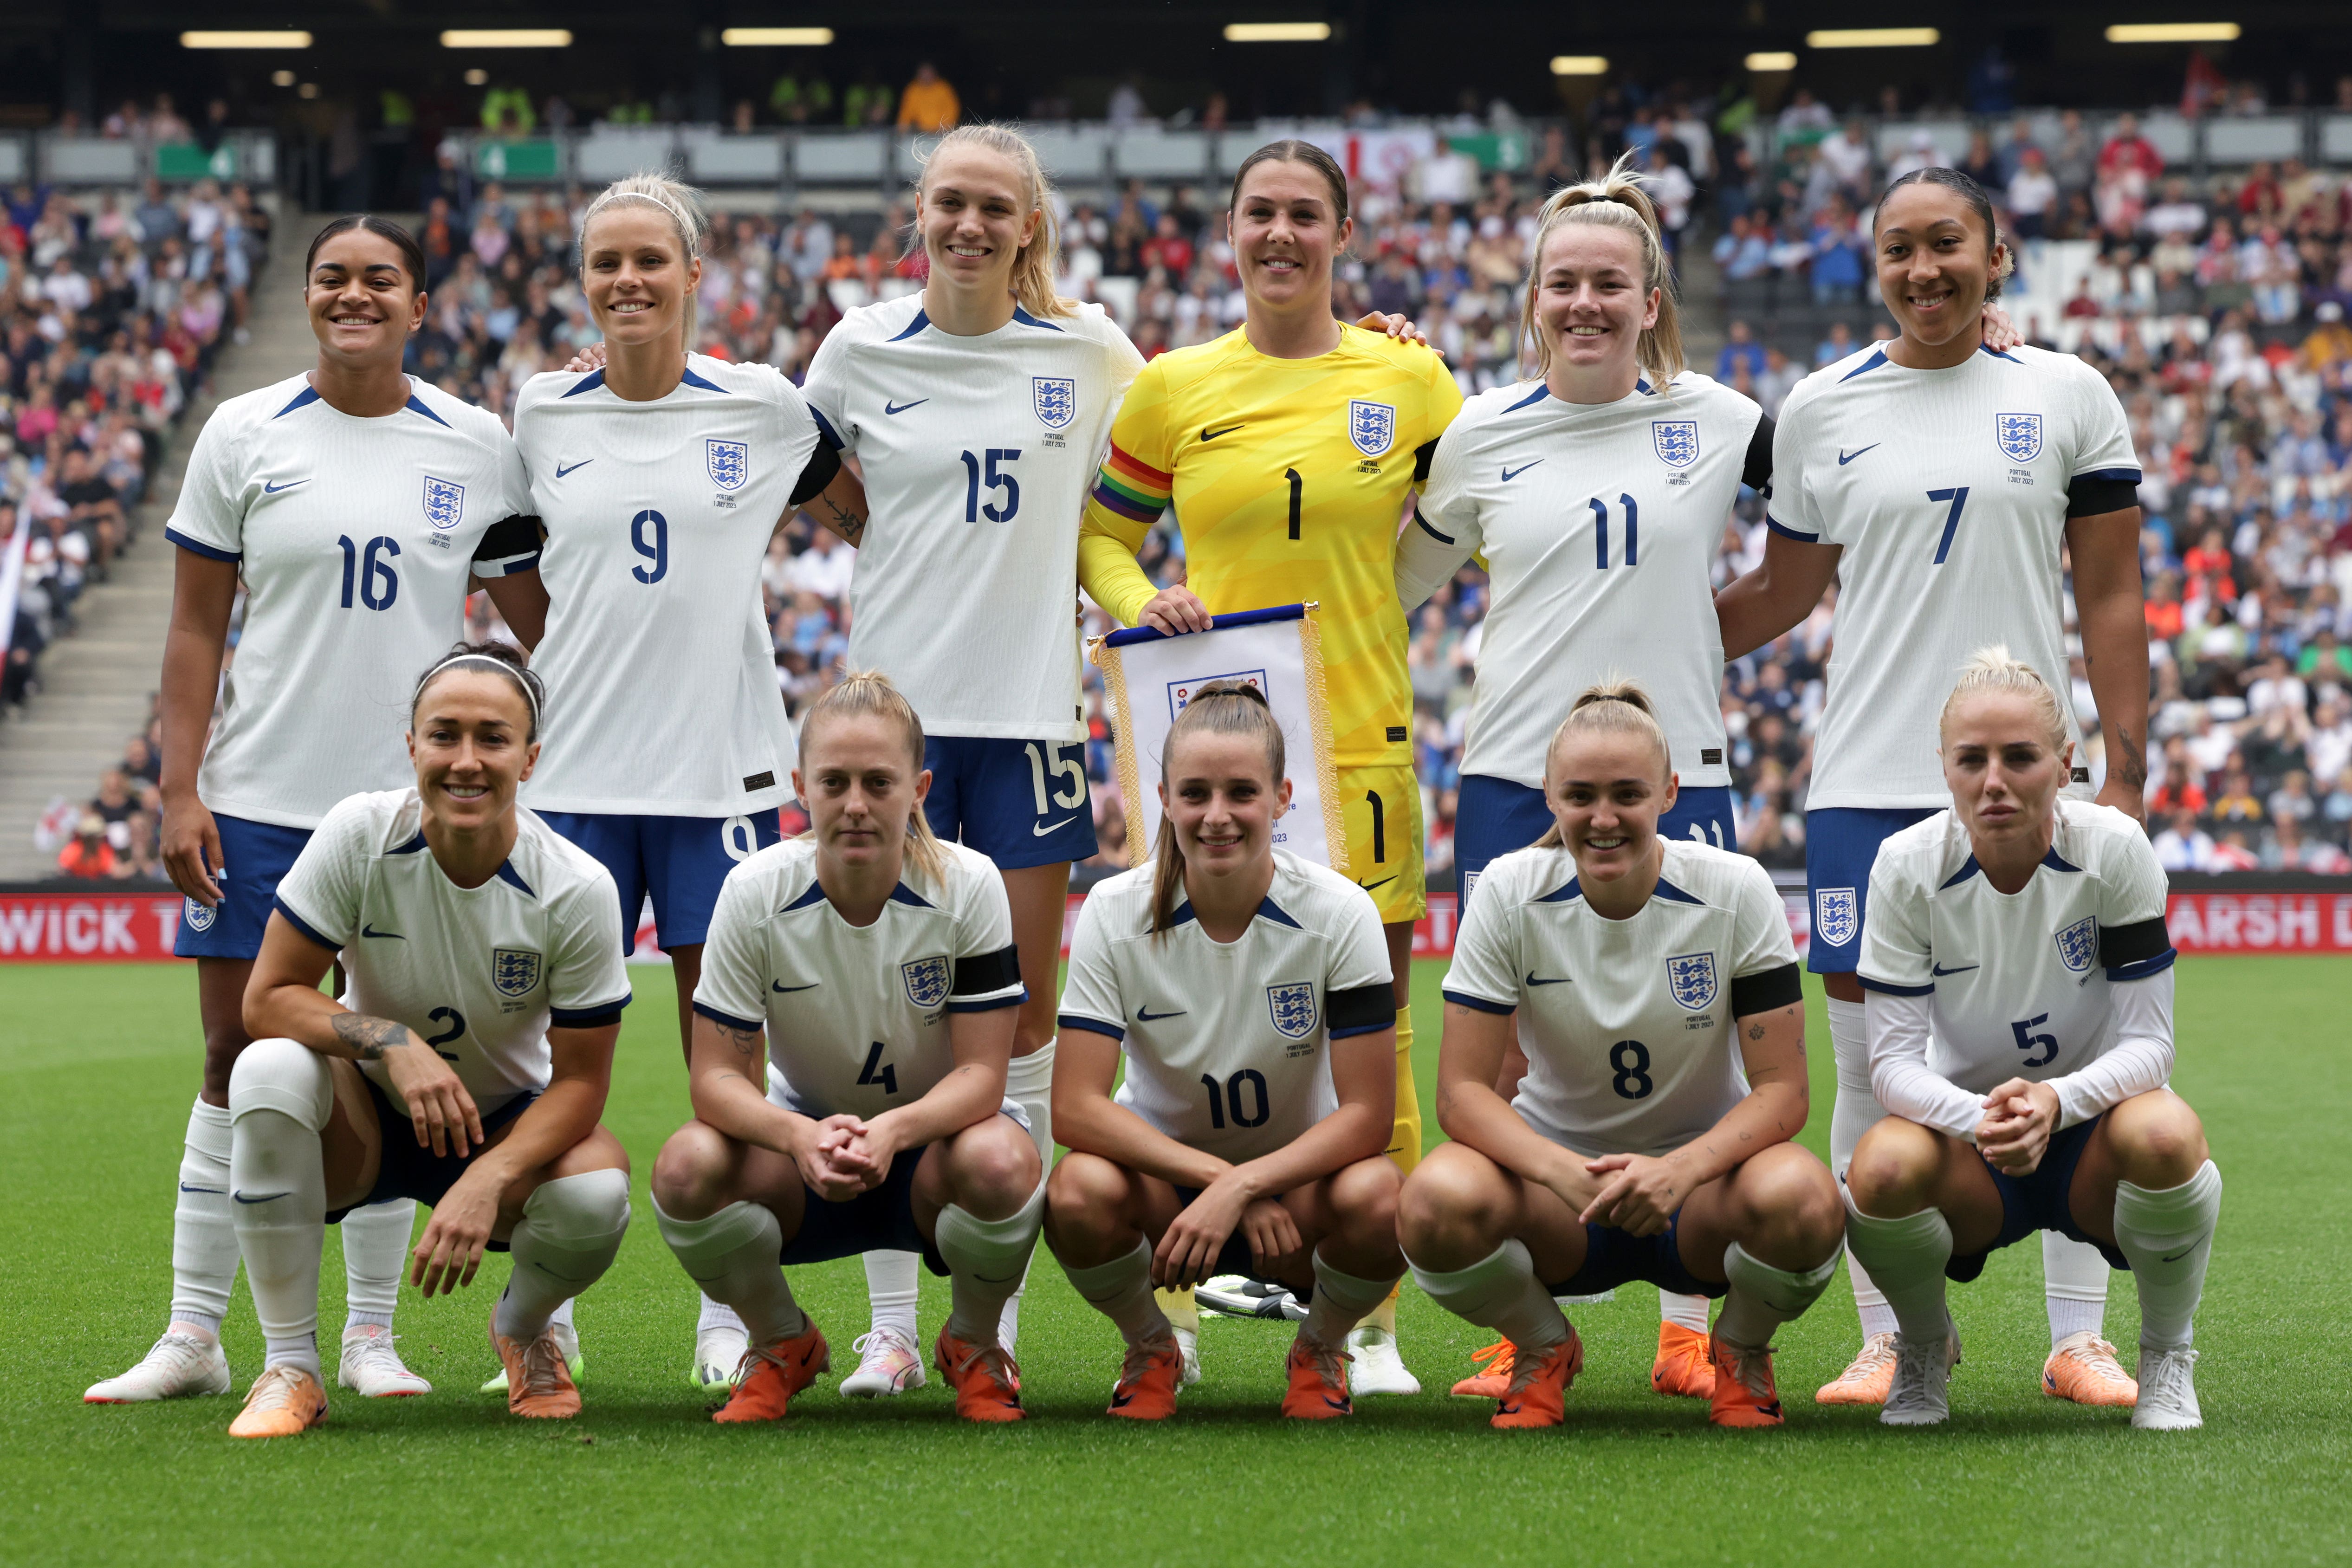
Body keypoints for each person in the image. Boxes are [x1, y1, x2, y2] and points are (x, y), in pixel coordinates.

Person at [86, 215, 545, 1408]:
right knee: (234, 1056)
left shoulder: (475, 441)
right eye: (332, 278)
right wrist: (180, 787)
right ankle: (193, 1337)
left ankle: (370, 1340)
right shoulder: (243, 432)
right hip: (259, 804)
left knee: (395, 1063)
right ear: (306, 297)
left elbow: (542, 620)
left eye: (379, 279)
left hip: (417, 819)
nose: (354, 295)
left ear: (421, 302)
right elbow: (195, 626)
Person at [1715, 167, 2151, 1409]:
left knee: (2066, 1044)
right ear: (1872, 265)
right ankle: (1898, 1336)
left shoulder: (2065, 391)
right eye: (1897, 249)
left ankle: (2079, 1336)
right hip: (1864, 780)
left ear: (1995, 252)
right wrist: (1634, 646)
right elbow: (1781, 596)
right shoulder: (1818, 407)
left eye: (1945, 243)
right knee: (1869, 1067)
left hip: (2028, 773)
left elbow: (2109, 591)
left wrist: (2124, 762)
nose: (1923, 269)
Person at [1078, 139, 1464, 1394]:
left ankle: (1368, 1325)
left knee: (1380, 1039)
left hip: (1360, 752)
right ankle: (1173, 1311)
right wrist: (1148, 607)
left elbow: (1477, 504)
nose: (1281, 233)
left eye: (1306, 214)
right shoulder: (1171, 386)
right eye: (1260, 214)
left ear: (1342, 235)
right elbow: (1101, 536)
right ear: (1229, 232)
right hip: (1211, 767)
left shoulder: (1407, 378)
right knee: (1178, 1019)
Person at [1398, 155, 1770, 1401]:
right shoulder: (1479, 435)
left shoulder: (1718, 421)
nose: (1586, 303)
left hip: (1683, 774)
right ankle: (1523, 1317)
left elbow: (1843, 475)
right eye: (1564, 283)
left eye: (1611, 283)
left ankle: (1683, 1322)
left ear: (1651, 298)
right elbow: (1391, 583)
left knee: (1693, 1040)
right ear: (1534, 297)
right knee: (1504, 1053)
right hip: (1512, 773)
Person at [797, 123, 1143, 1396]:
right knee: (893, 1024)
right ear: (918, 213)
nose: (968, 224)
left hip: (1037, 724)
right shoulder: (856, 348)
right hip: (896, 734)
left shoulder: (1091, 352)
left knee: (1025, 1018)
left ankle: (984, 1322)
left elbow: (1183, 435)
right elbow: (822, 485)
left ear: (1027, 226)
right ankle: (896, 1323)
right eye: (948, 202)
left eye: (994, 206)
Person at [512, 172, 864, 1390]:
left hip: (720, 776)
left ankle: (732, 1303)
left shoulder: (764, 406)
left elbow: (874, 517)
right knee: (537, 1065)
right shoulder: (539, 414)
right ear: (582, 280)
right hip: (576, 786)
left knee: (730, 1065)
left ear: (695, 273)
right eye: (605, 261)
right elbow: (518, 573)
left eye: (649, 260)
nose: (626, 280)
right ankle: (542, 1312)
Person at [1397, 682, 1843, 1430]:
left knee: (1806, 1201)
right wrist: (1561, 1171)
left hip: (1702, 1196)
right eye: (1580, 795)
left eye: (1627, 794)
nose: (1603, 818)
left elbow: (1784, 1093)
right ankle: (1543, 1347)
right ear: (1549, 794)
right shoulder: (1508, 891)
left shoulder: (1735, 888)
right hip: (1559, 1202)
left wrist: (1678, 1171)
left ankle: (1737, 1349)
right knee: (1431, 1203)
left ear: (1669, 791)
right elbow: (1462, 1094)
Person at [221, 645, 634, 1436]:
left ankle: (523, 1329)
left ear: (531, 757)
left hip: (501, 1122)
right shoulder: (358, 833)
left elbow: (582, 1083)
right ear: (412, 745)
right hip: (365, 1122)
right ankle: (290, 1368)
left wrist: (490, 1174)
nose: (467, 761)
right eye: (445, 735)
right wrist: (388, 1039)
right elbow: (267, 999)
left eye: (494, 738)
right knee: (268, 1069)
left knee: (596, 1194)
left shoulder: (577, 886)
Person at [648, 672, 1042, 1424]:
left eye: (878, 782)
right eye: (834, 781)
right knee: (685, 1166)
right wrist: (800, 1135)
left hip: (934, 1156)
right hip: (804, 1161)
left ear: (919, 787)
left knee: (1003, 1161)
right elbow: (714, 1080)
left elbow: (984, 1075)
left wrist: (892, 1131)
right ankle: (781, 1342)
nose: (856, 803)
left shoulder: (971, 885)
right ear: (801, 785)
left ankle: (972, 1343)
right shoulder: (753, 891)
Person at [1843, 649, 2215, 1430]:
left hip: (2093, 1142)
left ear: (2065, 764)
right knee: (1878, 1166)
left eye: (2019, 757)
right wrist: (1982, 1116)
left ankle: (2167, 1355)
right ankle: (1918, 1350)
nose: (1994, 781)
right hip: (1975, 1148)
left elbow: (2152, 1047)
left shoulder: (2115, 849)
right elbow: (1892, 1064)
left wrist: (2055, 1099)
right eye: (1971, 759)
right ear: (1943, 766)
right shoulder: (1906, 866)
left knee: (2171, 1134)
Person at [1046, 682, 1406, 1419]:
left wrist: (1248, 1185)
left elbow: (1370, 1117)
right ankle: (1152, 1347)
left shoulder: (1342, 912)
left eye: (1242, 792)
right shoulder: (1114, 913)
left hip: (1298, 1197)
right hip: (1166, 1196)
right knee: (1077, 1191)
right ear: (1165, 799)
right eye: (1196, 792)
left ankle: (1320, 1348)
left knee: (1386, 1198)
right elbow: (1075, 1109)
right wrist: (1219, 1180)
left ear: (1282, 797)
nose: (1217, 816)